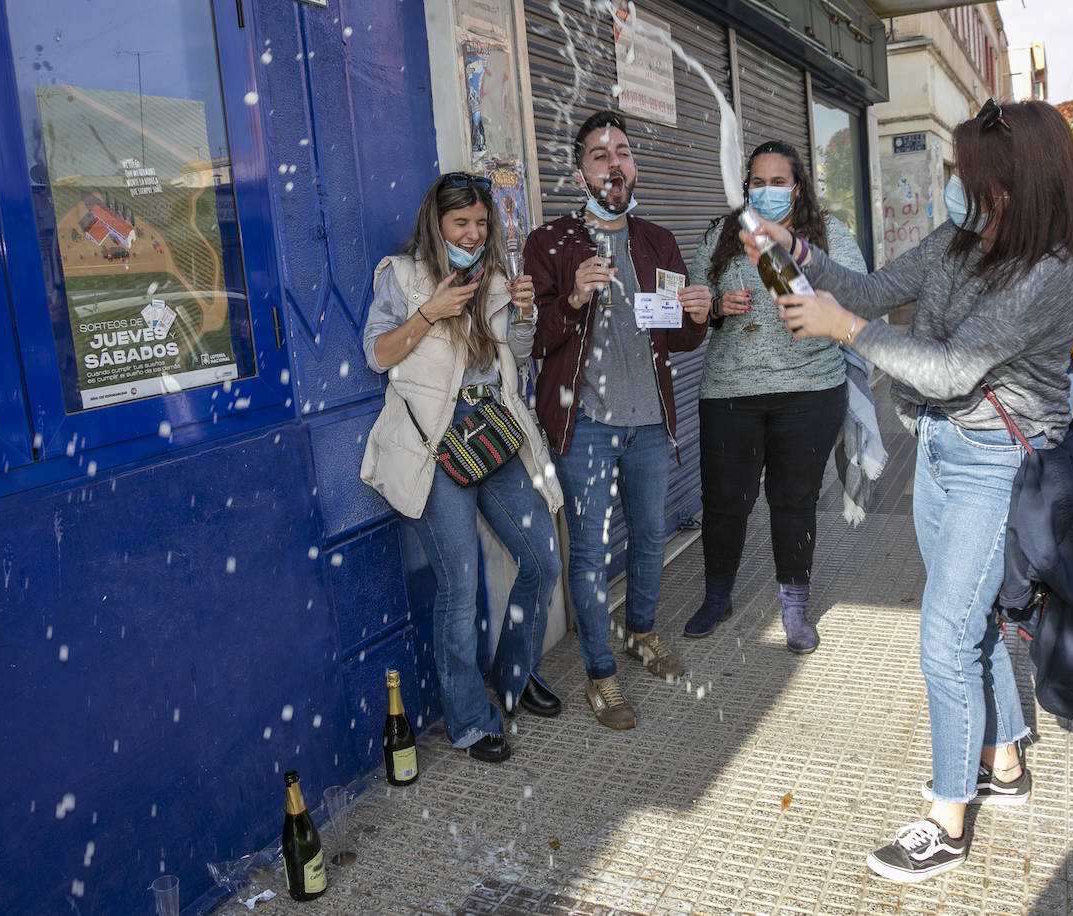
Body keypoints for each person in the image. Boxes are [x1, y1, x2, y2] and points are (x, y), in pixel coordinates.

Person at [741, 99, 1073, 882]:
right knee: (971, 621)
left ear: (1015, 181)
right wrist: (793, 248)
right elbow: (869, 289)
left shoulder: (1047, 272)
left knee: (944, 638)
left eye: (967, 174)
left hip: (995, 461)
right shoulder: (959, 240)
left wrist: (846, 332)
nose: (955, 187)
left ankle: (947, 819)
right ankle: (1004, 767)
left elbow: (948, 368)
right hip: (936, 448)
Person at [360, 172, 564, 764]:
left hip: (493, 436)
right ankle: (470, 719)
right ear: (436, 223)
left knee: (541, 559)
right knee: (459, 585)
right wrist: (428, 312)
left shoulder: (495, 278)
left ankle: (510, 678)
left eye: (480, 224)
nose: (472, 235)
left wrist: (522, 312)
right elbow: (376, 356)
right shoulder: (399, 276)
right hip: (435, 446)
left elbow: (520, 354)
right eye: (460, 224)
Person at [525, 110, 711, 730]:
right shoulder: (549, 243)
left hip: (651, 420)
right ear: (580, 170)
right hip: (586, 426)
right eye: (601, 155)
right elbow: (536, 340)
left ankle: (642, 633)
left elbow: (678, 337)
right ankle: (600, 674)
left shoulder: (657, 240)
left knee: (653, 536)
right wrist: (573, 298)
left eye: (624, 153)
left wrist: (699, 313)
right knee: (588, 552)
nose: (615, 164)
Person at [681, 139, 866, 653]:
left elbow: (859, 292)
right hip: (730, 391)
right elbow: (696, 300)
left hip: (809, 391)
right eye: (757, 183)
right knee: (725, 502)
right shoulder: (722, 233)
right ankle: (717, 596)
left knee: (793, 502)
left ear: (798, 187)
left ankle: (795, 609)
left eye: (777, 182)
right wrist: (716, 305)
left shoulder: (826, 233)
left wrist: (797, 274)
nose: (766, 191)